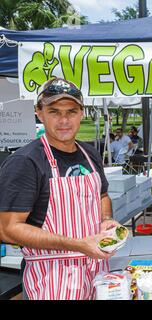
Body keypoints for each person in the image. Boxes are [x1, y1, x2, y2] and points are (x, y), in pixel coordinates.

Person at [0, 78, 120, 300]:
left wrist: (106, 219)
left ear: (81, 113)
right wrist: (77, 244)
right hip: (52, 281)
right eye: (54, 111)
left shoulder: (89, 154)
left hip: (95, 274)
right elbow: (7, 229)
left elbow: (102, 194)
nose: (64, 120)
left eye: (71, 111)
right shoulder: (25, 162)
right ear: (39, 112)